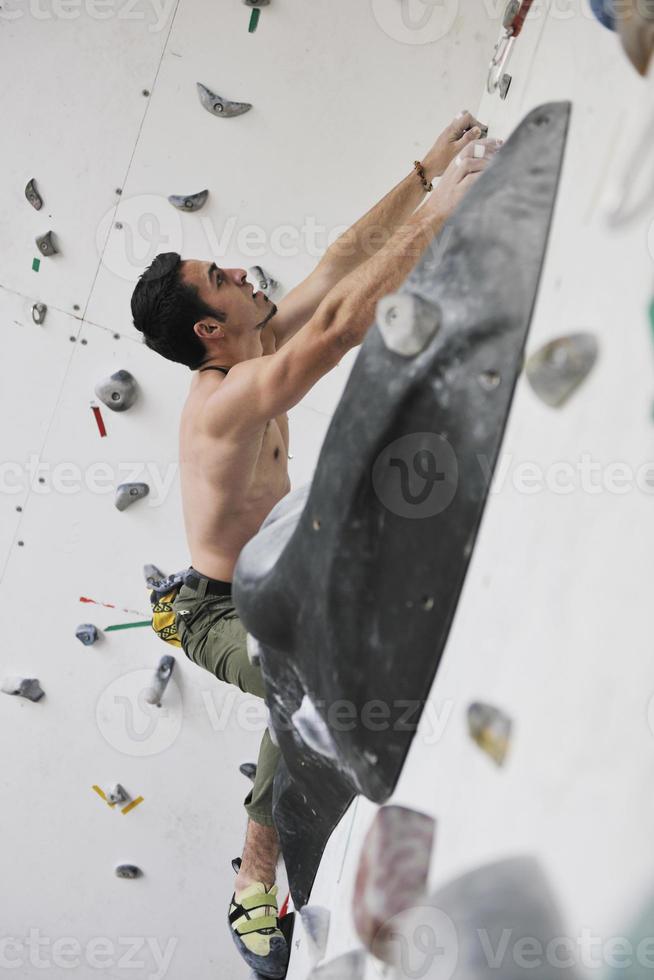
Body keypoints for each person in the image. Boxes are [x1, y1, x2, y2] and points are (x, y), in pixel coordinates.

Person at [130, 111, 499, 978]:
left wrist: (424, 168)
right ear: (207, 331)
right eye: (216, 278)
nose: (237, 272)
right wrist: (439, 218)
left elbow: (337, 262)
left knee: (319, 635)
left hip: (277, 566)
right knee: (297, 662)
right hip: (211, 609)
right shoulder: (223, 401)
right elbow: (338, 327)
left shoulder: (255, 337)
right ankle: (252, 886)